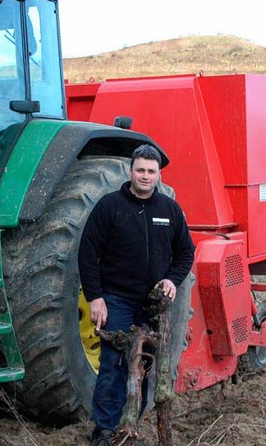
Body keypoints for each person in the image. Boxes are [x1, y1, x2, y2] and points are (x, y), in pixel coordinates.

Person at [78, 144, 195, 446]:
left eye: (151, 172)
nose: (145, 176)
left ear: (159, 175)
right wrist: (95, 297)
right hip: (116, 299)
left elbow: (185, 253)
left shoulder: (169, 211)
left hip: (153, 305)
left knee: (144, 365)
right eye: (140, 170)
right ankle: (104, 430)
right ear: (131, 171)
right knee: (114, 364)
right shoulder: (109, 206)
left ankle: (130, 425)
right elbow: (88, 254)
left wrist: (172, 279)